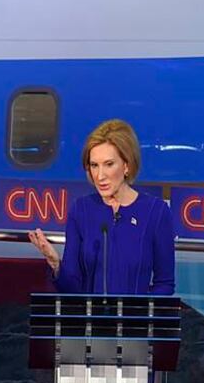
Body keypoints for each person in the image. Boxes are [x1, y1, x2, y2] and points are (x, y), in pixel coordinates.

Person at [28, 119, 175, 294]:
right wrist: (56, 265)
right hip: (90, 312)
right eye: (94, 165)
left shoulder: (156, 212)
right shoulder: (81, 210)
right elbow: (72, 288)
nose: (100, 176)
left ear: (126, 165)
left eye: (109, 164)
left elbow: (165, 284)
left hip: (135, 312)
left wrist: (139, 309)